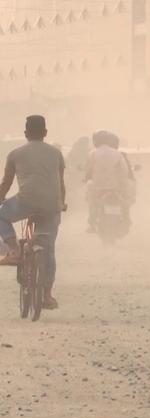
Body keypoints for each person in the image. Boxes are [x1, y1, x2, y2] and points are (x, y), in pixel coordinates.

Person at [0, 115, 66, 310]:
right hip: (51, 206)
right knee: (49, 249)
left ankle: (14, 250)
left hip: (25, 203)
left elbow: (6, 183)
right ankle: (47, 295)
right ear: (45, 133)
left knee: (1, 215)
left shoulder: (15, 154)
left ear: (26, 133)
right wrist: (61, 203)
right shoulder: (56, 153)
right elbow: (61, 183)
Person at [85, 130, 132, 232]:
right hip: (116, 188)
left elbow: (88, 170)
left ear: (96, 141)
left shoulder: (93, 153)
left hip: (98, 188)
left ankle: (92, 224)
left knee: (92, 202)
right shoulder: (117, 154)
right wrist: (122, 184)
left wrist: (86, 178)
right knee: (125, 202)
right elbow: (124, 171)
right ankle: (126, 218)